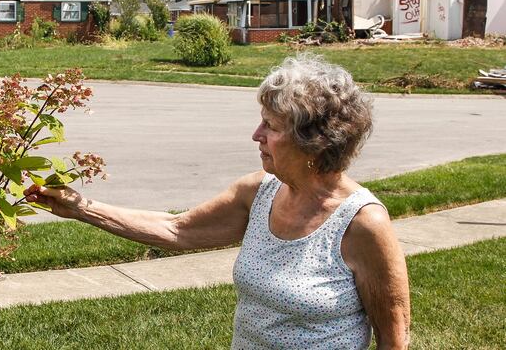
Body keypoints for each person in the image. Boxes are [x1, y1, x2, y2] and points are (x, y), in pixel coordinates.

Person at [24, 56, 410, 349]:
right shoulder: (260, 192)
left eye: (272, 127)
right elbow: (178, 229)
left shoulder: (362, 223)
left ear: (315, 141)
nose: (255, 135)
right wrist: (81, 207)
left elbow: (394, 336)